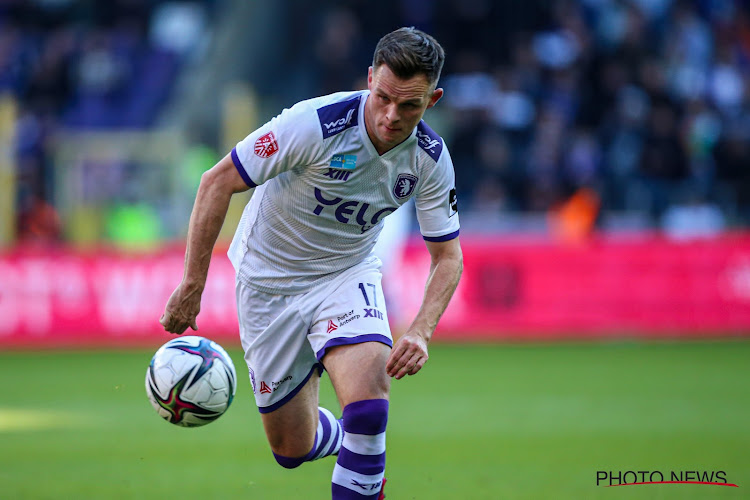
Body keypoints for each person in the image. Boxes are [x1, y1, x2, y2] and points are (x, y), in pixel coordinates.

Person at [160, 27, 463, 499]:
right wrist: (192, 283)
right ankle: (355, 449)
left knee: (368, 408)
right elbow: (216, 182)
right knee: (291, 448)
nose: (390, 116)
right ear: (369, 79)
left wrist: (422, 329)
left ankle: (363, 448)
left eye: (410, 106)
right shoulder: (315, 124)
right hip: (266, 284)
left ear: (433, 99)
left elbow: (448, 256)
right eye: (382, 97)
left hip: (346, 274)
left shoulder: (429, 159)